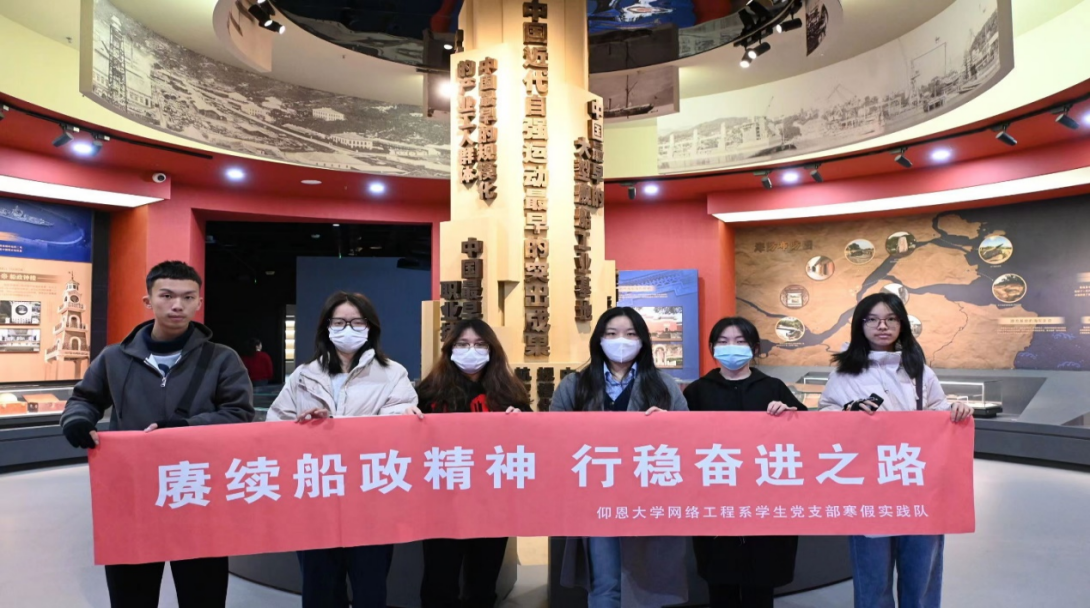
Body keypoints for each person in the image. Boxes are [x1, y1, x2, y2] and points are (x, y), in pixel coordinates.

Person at [60, 260, 255, 608]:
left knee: (203, 594)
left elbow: (239, 414)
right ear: (148, 301)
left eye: (187, 297)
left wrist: (186, 429)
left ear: (198, 302)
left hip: (197, 492)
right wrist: (77, 420)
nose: (177, 305)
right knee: (131, 593)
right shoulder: (114, 358)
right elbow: (85, 399)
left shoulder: (222, 359)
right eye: (166, 295)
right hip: (132, 494)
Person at [818, 293, 973, 608]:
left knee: (922, 573)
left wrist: (955, 410)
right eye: (873, 319)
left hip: (917, 481)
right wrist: (847, 411)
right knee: (872, 577)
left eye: (891, 319)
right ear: (860, 325)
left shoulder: (918, 370)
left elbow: (938, 410)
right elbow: (825, 416)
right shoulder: (844, 372)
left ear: (902, 324)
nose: (882, 326)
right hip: (868, 485)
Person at [266, 291, 418, 608]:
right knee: (319, 590)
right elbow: (275, 426)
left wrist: (342, 425)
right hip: (315, 498)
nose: (348, 329)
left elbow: (400, 422)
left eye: (356, 322)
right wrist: (302, 425)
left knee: (370, 590)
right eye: (339, 322)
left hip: (370, 499)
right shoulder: (304, 375)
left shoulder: (393, 374)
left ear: (370, 327)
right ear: (326, 327)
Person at [550, 307, 689, 608]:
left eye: (630, 334)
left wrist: (670, 426)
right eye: (611, 334)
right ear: (599, 339)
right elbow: (552, 439)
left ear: (643, 341)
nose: (621, 341)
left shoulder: (664, 385)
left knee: (648, 582)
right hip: (595, 499)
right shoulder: (574, 385)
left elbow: (688, 442)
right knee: (605, 582)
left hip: (648, 498)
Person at [683, 317, 807, 608]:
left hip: (764, 502)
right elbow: (679, 440)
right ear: (712, 347)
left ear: (754, 348)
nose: (732, 348)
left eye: (740, 342)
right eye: (723, 341)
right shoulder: (698, 391)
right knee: (720, 585)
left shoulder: (773, 387)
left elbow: (806, 435)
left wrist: (790, 414)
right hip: (716, 502)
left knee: (760, 586)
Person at [411, 318, 531, 608]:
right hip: (442, 505)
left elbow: (531, 443)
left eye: (479, 344)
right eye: (463, 344)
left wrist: (522, 423)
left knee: (482, 586)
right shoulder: (428, 392)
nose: (471, 350)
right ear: (450, 349)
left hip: (492, 505)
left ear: (492, 350)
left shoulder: (510, 393)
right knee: (439, 585)